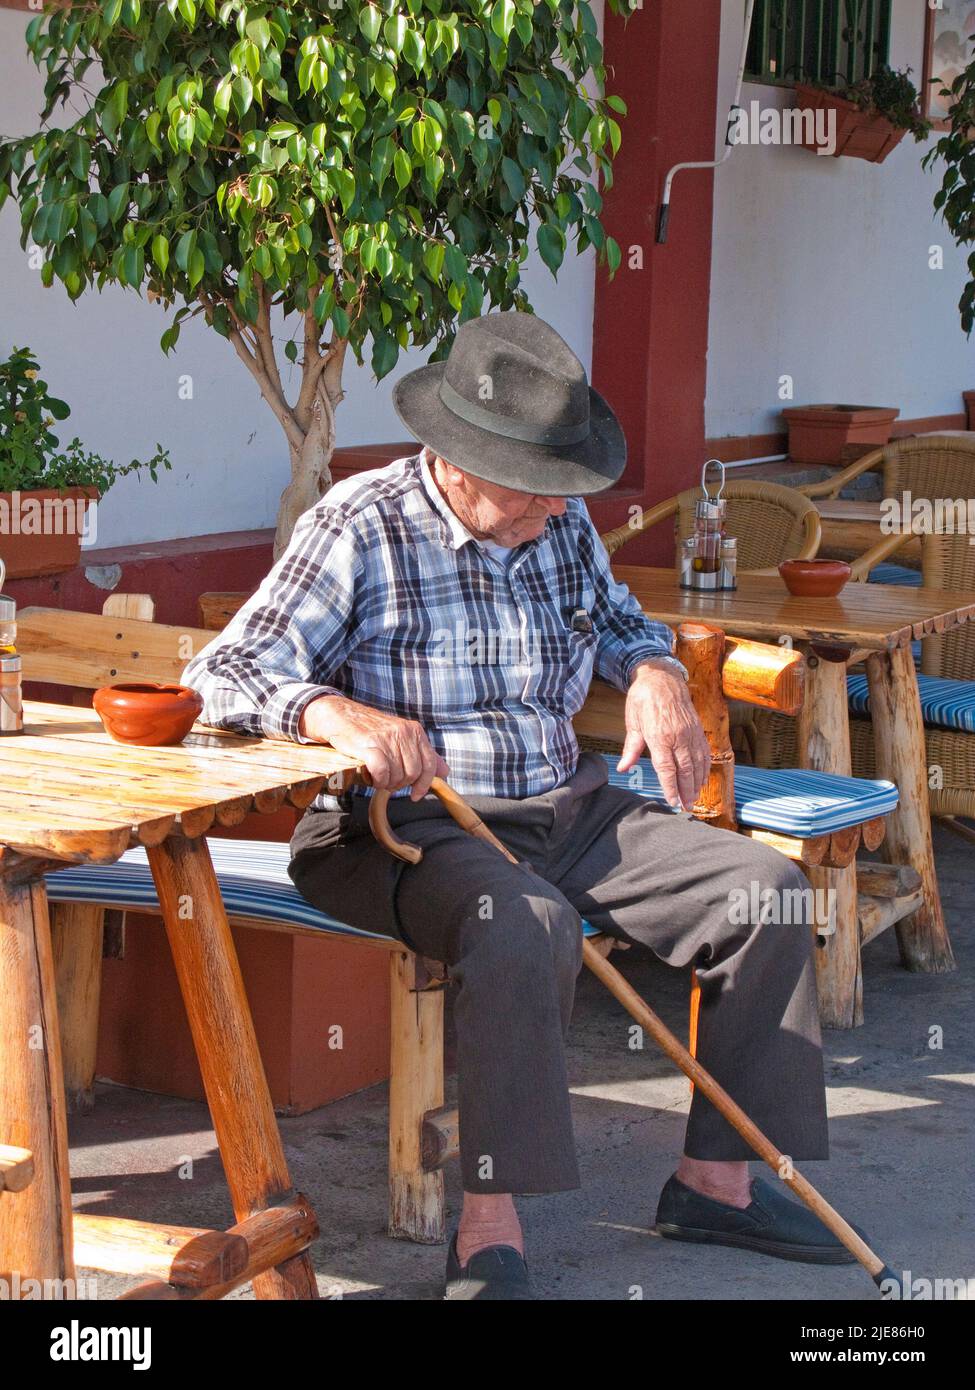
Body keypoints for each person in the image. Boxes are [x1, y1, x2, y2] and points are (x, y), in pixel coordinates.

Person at [182, 311, 861, 1300]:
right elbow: (222, 670)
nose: (558, 512)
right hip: (402, 829)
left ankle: (717, 1178)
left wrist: (653, 669)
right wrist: (333, 710)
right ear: (457, 464)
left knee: (764, 889)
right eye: (536, 491)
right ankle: (488, 1227)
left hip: (565, 807)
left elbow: (618, 614)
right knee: (522, 923)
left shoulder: (556, 515)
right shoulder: (359, 523)